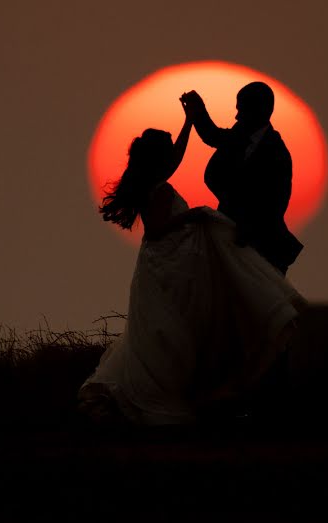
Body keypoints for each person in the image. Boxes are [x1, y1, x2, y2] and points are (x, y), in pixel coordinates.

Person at [77, 93, 306, 426]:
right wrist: (192, 217)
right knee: (176, 329)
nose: (238, 113)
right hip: (165, 265)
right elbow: (155, 229)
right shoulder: (159, 189)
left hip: (206, 253)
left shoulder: (273, 153)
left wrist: (188, 120)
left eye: (244, 107)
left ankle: (254, 396)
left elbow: (179, 156)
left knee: (201, 325)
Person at [181, 83, 303, 275]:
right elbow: (213, 135)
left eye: (242, 110)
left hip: (260, 245)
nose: (237, 116)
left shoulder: (277, 153)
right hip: (228, 234)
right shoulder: (239, 133)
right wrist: (198, 111)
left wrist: (249, 227)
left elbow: (278, 202)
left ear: (260, 111)